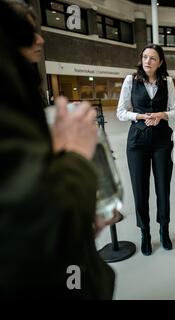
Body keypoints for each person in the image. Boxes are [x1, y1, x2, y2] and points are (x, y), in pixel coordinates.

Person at [0, 0, 116, 299]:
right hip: (49, 276)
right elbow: (27, 212)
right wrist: (76, 155)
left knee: (74, 278)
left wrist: (79, 220)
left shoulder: (26, 89)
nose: (40, 39)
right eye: (27, 32)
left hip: (66, 264)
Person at [117, 44, 175, 255]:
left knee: (163, 188)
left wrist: (161, 115)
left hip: (162, 139)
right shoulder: (130, 81)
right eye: (145, 57)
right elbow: (121, 112)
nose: (148, 61)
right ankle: (145, 233)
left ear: (160, 62)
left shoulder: (167, 81)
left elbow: (174, 111)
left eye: (153, 58)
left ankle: (164, 230)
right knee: (140, 190)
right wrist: (140, 116)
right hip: (137, 141)